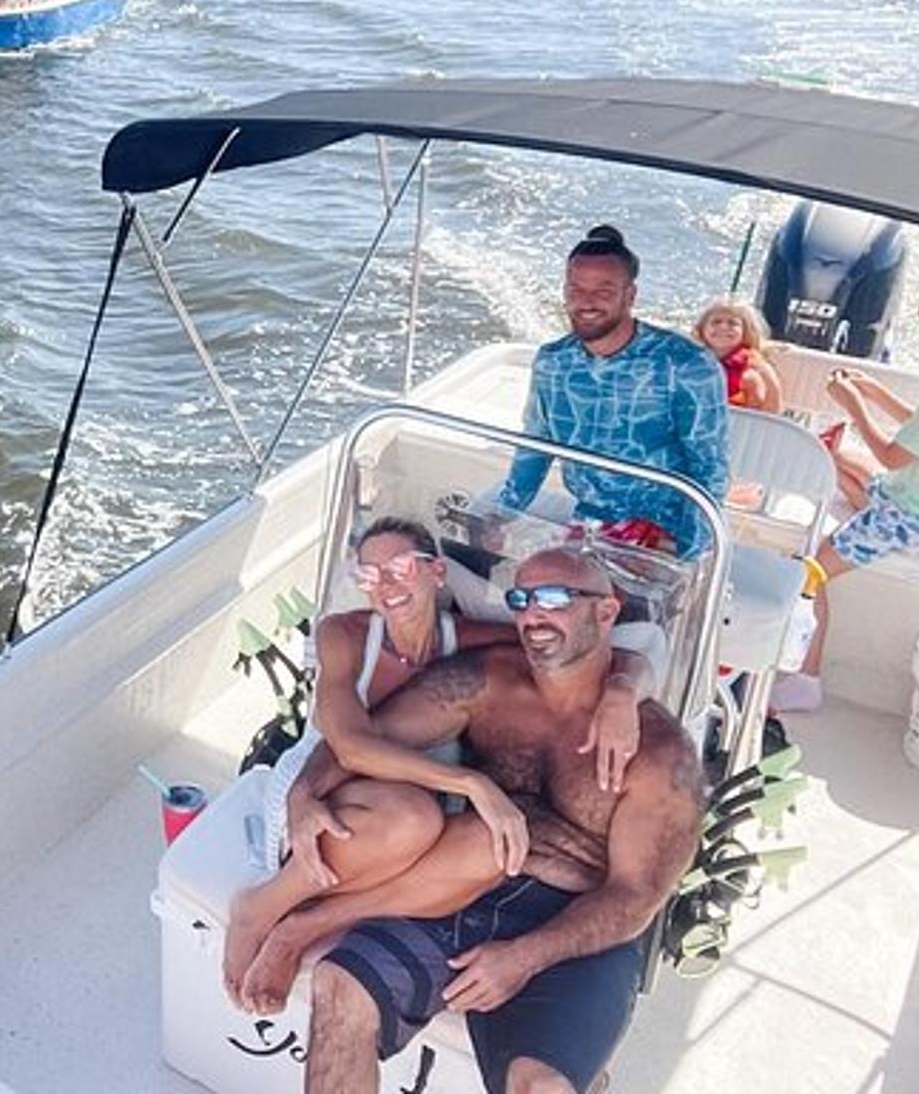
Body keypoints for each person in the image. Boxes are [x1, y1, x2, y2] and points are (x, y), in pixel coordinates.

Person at [246, 549, 706, 1094]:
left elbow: (635, 898)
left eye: (555, 599)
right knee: (340, 988)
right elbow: (370, 740)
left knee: (541, 1086)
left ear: (606, 612)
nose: (534, 616)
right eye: (521, 599)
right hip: (459, 884)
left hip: (578, 925)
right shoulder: (487, 682)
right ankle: (305, 926)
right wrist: (305, 794)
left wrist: (524, 957)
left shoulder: (661, 755)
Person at [223, 520, 657, 1009]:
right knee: (415, 818)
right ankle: (260, 907)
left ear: (437, 571)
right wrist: (473, 784)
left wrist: (621, 694)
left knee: (489, 847)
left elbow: (612, 647)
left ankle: (310, 922)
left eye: (401, 568)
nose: (386, 587)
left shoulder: (467, 639)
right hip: (322, 784)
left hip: (406, 793)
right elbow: (351, 748)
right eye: (370, 575)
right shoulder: (343, 635)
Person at [775, 283, 919, 711]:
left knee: (807, 571)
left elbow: (890, 456)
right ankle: (853, 506)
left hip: (908, 517)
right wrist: (873, 392)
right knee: (835, 457)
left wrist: (852, 405)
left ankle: (804, 679)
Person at [498, 225, 730, 557]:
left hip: (665, 531)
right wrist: (503, 514)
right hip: (589, 523)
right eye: (575, 289)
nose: (586, 302)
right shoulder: (552, 362)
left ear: (630, 296)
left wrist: (688, 556)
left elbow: (709, 468)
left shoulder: (686, 365)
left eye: (604, 291)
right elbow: (535, 446)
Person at [692, 298, 782, 413]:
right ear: (701, 330)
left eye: (732, 323)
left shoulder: (755, 371)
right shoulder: (690, 363)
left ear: (745, 332)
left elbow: (768, 413)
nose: (723, 327)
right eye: (716, 322)